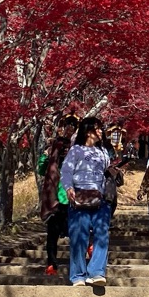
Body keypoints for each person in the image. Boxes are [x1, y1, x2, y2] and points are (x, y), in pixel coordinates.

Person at [60, 117, 113, 286]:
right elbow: (66, 171)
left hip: (100, 197)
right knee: (78, 236)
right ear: (88, 130)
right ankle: (77, 275)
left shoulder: (103, 152)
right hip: (79, 197)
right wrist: (69, 188)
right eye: (97, 128)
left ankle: (97, 272)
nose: (100, 131)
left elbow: (107, 171)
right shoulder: (75, 150)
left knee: (102, 234)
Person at [39, 114, 78, 276]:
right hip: (55, 202)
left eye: (72, 125)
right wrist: (46, 156)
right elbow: (41, 170)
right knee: (52, 235)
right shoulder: (53, 158)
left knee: (75, 232)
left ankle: (78, 264)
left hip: (72, 201)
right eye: (67, 125)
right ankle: (51, 264)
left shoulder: (77, 157)